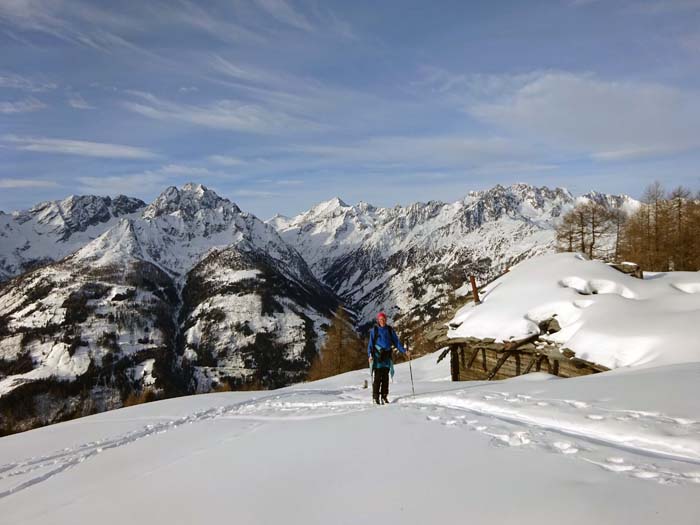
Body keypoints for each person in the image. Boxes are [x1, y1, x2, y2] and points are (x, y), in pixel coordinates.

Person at [368, 312, 410, 405]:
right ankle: (376, 397)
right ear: (378, 320)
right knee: (377, 378)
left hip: (386, 357)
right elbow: (370, 345)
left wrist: (404, 351)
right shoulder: (374, 331)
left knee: (385, 379)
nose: (382, 321)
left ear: (385, 320)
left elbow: (396, 342)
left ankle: (384, 396)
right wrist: (370, 355)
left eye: (383, 319)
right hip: (377, 357)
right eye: (380, 319)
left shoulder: (390, 330)